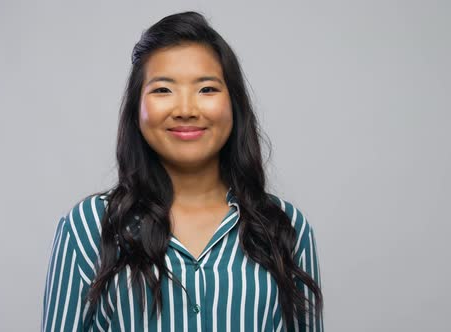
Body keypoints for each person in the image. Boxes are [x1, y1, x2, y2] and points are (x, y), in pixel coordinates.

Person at [42, 10, 324, 332]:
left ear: (235, 106)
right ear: (137, 109)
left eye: (207, 89)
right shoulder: (88, 227)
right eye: (163, 90)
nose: (186, 110)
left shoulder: (286, 228)